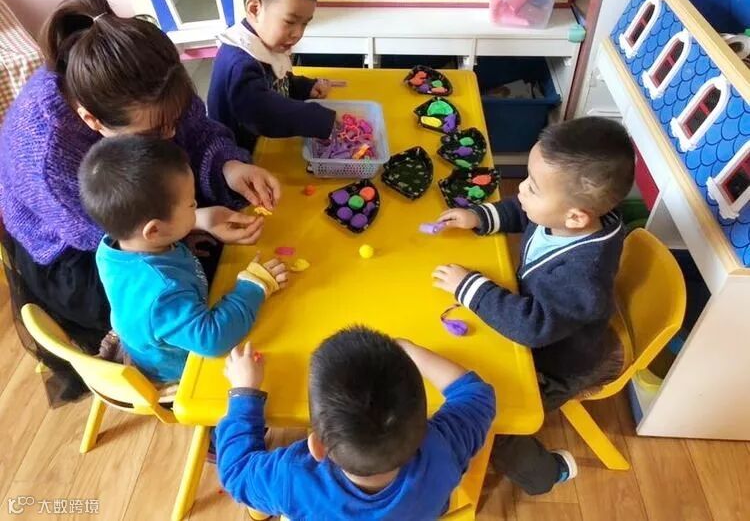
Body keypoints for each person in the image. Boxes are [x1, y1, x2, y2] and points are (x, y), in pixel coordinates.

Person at [0, 0, 280, 404]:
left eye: (173, 119)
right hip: (79, 249)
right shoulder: (47, 151)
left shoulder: (151, 79)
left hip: (149, 213)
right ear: (92, 120)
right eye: (154, 132)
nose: (172, 134)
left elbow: (195, 131)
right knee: (192, 299)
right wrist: (194, 221)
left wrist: (229, 166)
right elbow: (114, 232)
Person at [432, 117, 635, 495]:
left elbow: (532, 327)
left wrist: (468, 287)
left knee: (494, 419)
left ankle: (544, 474)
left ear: (576, 216)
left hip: (556, 366)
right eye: (527, 179)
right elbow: (524, 211)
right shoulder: (565, 217)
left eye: (533, 187)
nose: (521, 189)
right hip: (544, 326)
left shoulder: (583, 276)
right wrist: (480, 216)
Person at [216, 327, 496, 520]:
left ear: (318, 447)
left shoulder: (293, 478)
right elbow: (476, 395)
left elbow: (236, 470)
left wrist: (244, 391)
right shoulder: (443, 449)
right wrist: (410, 351)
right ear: (421, 428)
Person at [80, 135, 287, 383]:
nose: (196, 205)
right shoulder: (163, 293)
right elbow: (212, 339)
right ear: (154, 230)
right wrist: (254, 286)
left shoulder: (115, 244)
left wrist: (178, 240)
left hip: (166, 330)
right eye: (191, 204)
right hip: (180, 367)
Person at [207, 0, 336, 154]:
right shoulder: (240, 62)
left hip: (266, 146)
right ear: (255, 9)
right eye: (290, 21)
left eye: (305, 23)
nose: (298, 33)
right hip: (238, 156)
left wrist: (304, 87)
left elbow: (277, 83)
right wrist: (315, 117)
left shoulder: (268, 40)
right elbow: (263, 112)